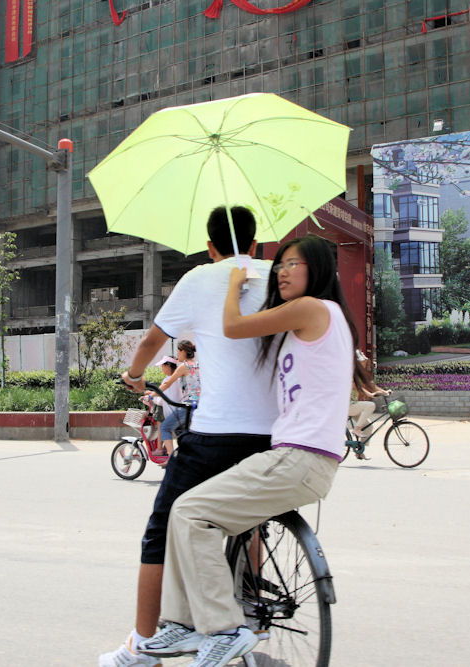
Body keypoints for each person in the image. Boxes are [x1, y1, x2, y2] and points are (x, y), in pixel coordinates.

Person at [137, 235, 368, 667]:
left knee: (187, 513)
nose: (282, 271)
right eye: (279, 264)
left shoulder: (312, 307)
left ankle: (221, 627)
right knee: (204, 514)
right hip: (303, 459)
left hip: (297, 458)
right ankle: (188, 623)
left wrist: (233, 284)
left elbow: (232, 327)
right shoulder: (324, 317)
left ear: (317, 270)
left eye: (293, 264)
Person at [100, 206, 277, 667]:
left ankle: (142, 646)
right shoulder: (280, 274)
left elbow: (149, 343)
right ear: (255, 245)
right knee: (247, 516)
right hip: (278, 433)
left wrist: (135, 376)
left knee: (160, 528)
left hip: (221, 431)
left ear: (211, 246)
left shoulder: (200, 278)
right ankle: (252, 609)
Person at [151, 340, 200, 457]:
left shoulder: (184, 366)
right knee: (182, 433)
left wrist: (151, 394)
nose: (177, 354)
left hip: (189, 405)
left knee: (164, 427)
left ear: (183, 351)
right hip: (201, 405)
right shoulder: (198, 365)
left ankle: (171, 458)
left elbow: (168, 383)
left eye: (178, 351)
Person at [348, 351, 389, 438]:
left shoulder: (358, 373)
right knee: (370, 405)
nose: (364, 363)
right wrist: (370, 394)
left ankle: (359, 451)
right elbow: (357, 386)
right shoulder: (350, 372)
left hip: (353, 405)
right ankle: (356, 429)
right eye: (362, 362)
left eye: (364, 361)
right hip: (347, 406)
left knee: (368, 427)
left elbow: (370, 384)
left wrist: (384, 392)